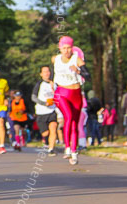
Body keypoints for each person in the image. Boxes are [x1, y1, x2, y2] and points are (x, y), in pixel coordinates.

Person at [52, 36, 88, 165]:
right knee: (68, 116)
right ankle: (67, 148)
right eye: (64, 48)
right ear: (60, 48)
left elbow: (87, 75)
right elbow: (52, 76)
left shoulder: (76, 59)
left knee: (75, 122)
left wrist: (78, 70)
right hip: (61, 93)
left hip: (76, 93)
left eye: (69, 48)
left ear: (72, 48)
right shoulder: (55, 59)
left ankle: (74, 151)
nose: (66, 51)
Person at [32, 65, 59, 155]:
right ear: (41, 74)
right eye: (44, 72)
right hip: (41, 111)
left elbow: (58, 97)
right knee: (45, 133)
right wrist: (44, 103)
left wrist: (53, 89)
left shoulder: (54, 84)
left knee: (53, 128)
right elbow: (33, 97)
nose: (47, 73)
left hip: (52, 111)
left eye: (48, 71)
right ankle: (46, 141)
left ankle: (51, 149)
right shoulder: (39, 84)